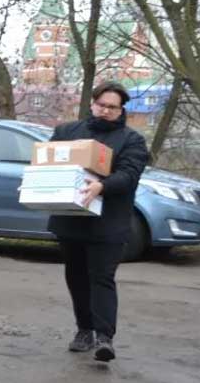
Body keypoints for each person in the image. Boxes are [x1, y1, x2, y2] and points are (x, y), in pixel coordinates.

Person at [48, 81, 148, 363]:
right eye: (101, 105)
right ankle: (84, 331)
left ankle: (105, 337)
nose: (105, 111)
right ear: (92, 104)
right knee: (76, 276)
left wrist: (101, 186)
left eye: (112, 107)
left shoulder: (132, 140)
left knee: (102, 277)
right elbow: (49, 162)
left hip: (109, 222)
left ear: (121, 109)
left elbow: (129, 175)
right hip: (71, 218)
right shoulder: (68, 132)